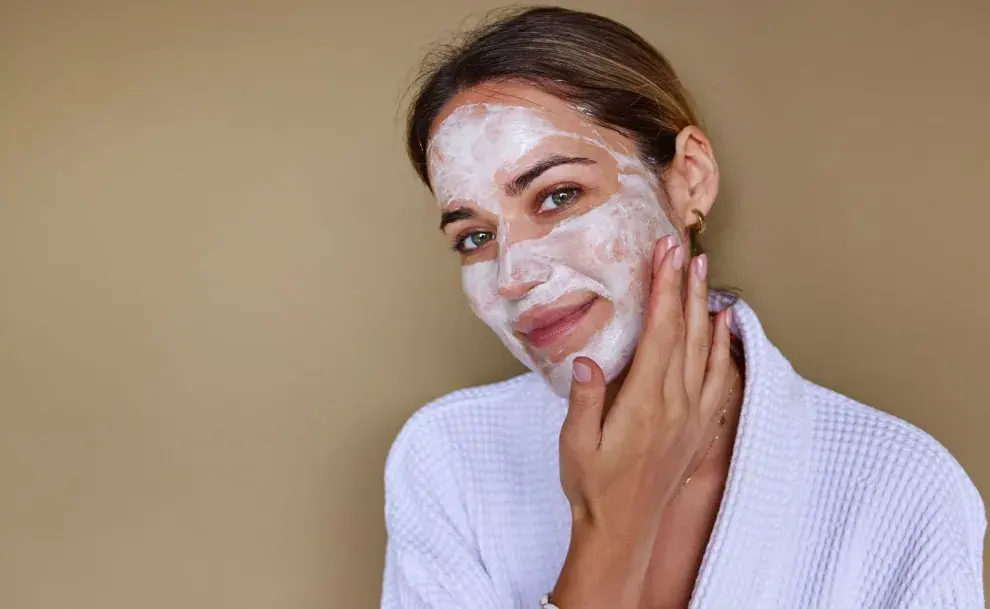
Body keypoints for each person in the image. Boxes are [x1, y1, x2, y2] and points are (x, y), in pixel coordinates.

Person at [381, 7, 985, 609]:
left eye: (559, 196)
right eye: (474, 238)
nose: (514, 275)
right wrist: (611, 528)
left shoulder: (903, 488)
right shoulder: (448, 459)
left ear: (689, 179)